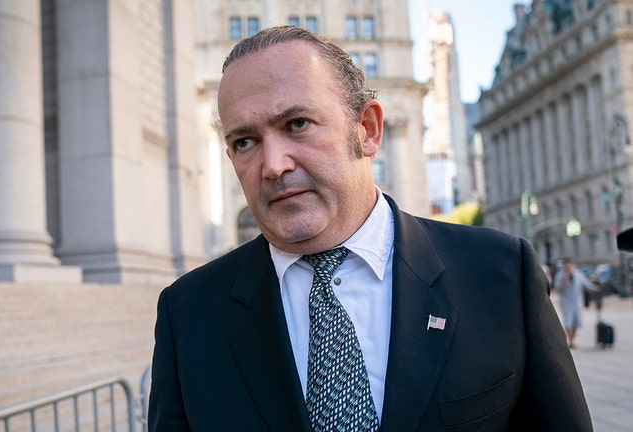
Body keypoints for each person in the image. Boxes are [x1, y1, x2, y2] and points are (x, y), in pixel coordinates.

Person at [148, 26, 591, 431]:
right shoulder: (187, 314)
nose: (273, 165)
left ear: (368, 129)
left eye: (296, 124)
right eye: (244, 141)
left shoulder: (499, 274)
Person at [553, 257, 598, 348]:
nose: (568, 267)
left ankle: (572, 340)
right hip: (566, 302)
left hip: (576, 302)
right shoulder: (560, 275)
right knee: (568, 322)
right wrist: (563, 282)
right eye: (566, 266)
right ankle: (570, 341)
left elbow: (586, 284)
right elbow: (556, 288)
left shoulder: (578, 274)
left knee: (575, 322)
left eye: (570, 265)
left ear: (572, 265)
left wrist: (595, 288)